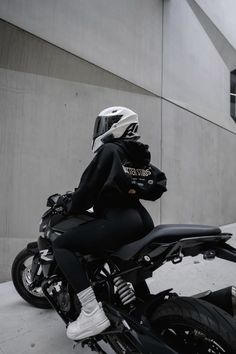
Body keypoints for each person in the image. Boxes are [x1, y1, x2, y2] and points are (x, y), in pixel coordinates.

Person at [52, 106, 165, 341]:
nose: (99, 131)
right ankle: (147, 307)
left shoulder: (110, 150)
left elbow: (86, 192)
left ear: (115, 126)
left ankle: (92, 312)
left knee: (62, 245)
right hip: (142, 220)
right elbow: (158, 184)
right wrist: (132, 188)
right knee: (119, 259)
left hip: (119, 221)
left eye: (103, 125)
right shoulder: (135, 155)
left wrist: (68, 204)